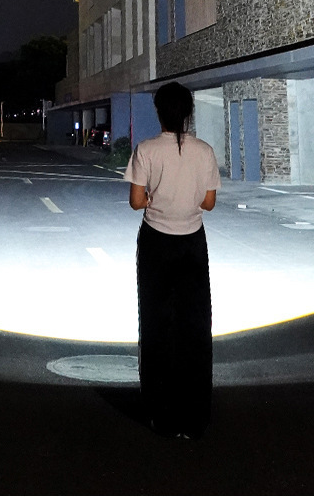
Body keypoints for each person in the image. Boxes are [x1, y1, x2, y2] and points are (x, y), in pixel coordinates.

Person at [124, 82, 220, 439]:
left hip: (156, 243)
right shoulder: (204, 151)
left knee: (155, 324)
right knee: (194, 325)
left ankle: (160, 414)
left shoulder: (146, 150)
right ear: (188, 113)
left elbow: (136, 201)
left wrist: (156, 198)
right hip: (192, 242)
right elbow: (208, 203)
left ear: (159, 112)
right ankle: (194, 417)